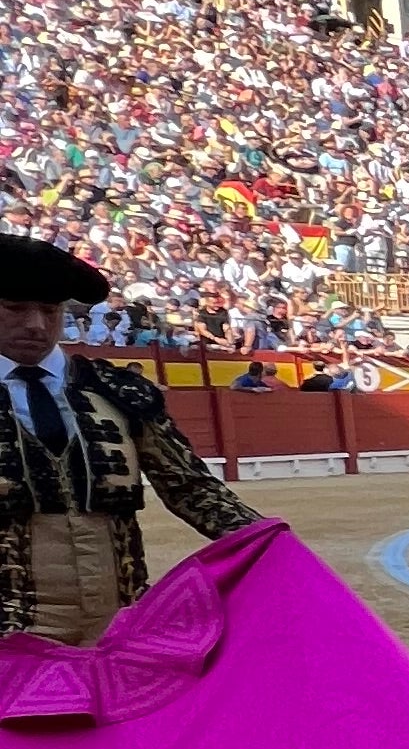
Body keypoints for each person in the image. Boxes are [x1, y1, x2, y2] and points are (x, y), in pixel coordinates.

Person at [0, 235, 261, 642]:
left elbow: (190, 488)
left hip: (118, 627)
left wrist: (267, 542)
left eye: (50, 311)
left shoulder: (118, 391)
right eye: (14, 308)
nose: (35, 324)